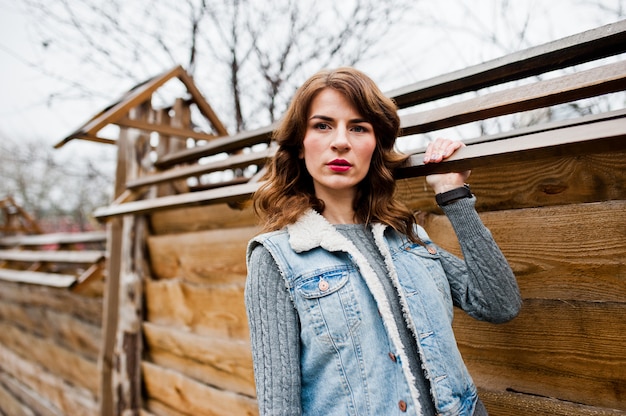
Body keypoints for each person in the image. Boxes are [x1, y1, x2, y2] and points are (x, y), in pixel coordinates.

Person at [244, 67, 522, 416]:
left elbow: (498, 304)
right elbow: (279, 407)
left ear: (375, 145)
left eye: (358, 127)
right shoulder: (276, 258)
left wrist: (452, 194)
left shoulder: (407, 236)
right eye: (322, 125)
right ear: (300, 145)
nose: (341, 141)